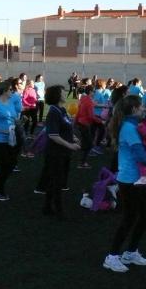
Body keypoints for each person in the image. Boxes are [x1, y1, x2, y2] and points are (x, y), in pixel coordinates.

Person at [103, 95, 146, 273]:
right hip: (130, 179)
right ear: (133, 109)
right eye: (141, 106)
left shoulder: (133, 125)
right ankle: (111, 257)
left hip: (136, 179)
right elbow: (140, 155)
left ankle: (131, 252)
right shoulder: (129, 128)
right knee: (130, 217)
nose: (144, 108)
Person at [34, 85, 80, 215]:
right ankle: (59, 211)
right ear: (57, 96)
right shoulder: (53, 112)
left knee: (55, 180)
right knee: (57, 181)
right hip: (55, 153)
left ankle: (47, 207)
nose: (65, 94)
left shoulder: (62, 110)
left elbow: (66, 127)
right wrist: (70, 145)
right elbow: (53, 135)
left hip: (62, 152)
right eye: (63, 92)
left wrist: (74, 138)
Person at [74, 85, 103, 169]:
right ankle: (82, 163)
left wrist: (75, 122)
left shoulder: (83, 99)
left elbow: (79, 111)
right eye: (94, 91)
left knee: (84, 142)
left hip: (80, 123)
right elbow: (91, 116)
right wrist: (101, 121)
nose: (94, 93)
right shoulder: (88, 101)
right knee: (89, 143)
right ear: (90, 92)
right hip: (85, 124)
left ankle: (81, 159)